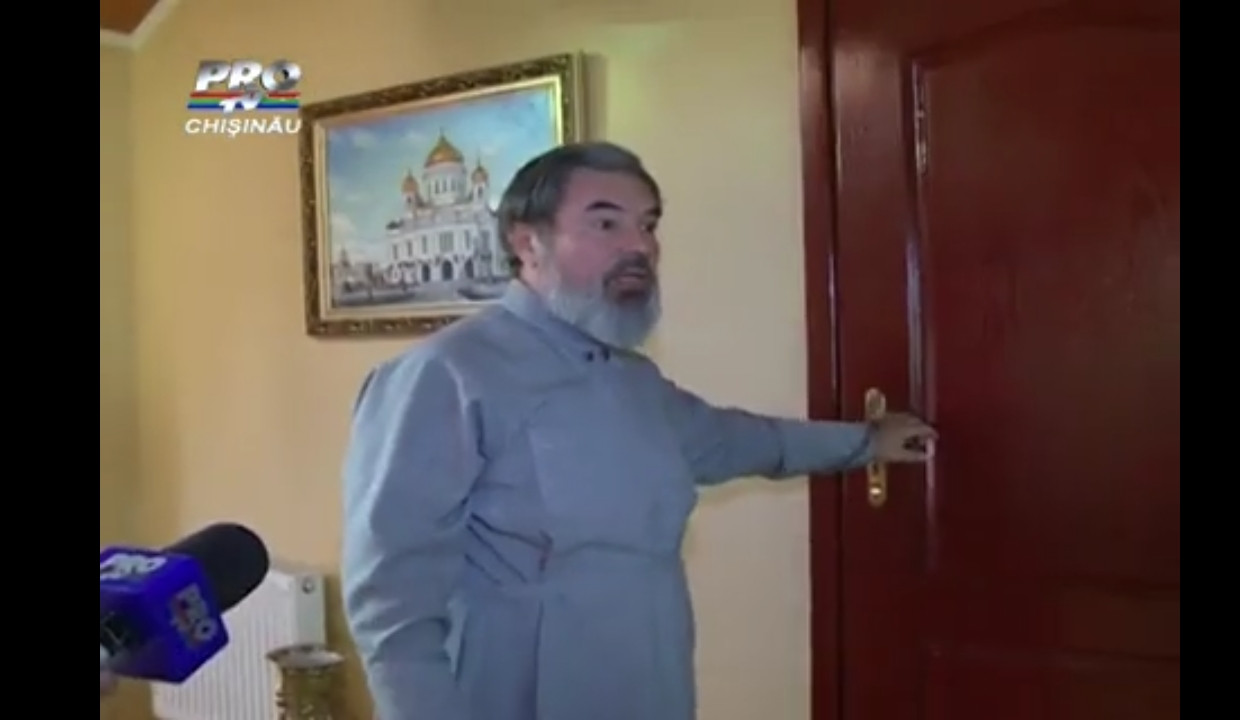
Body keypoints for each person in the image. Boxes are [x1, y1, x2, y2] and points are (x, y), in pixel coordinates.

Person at [341, 141, 937, 720]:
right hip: (517, 687)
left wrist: (866, 441)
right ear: (527, 243)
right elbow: (392, 604)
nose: (641, 246)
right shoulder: (445, 374)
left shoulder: (631, 378)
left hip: (650, 674)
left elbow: (737, 440)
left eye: (648, 225)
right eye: (607, 224)